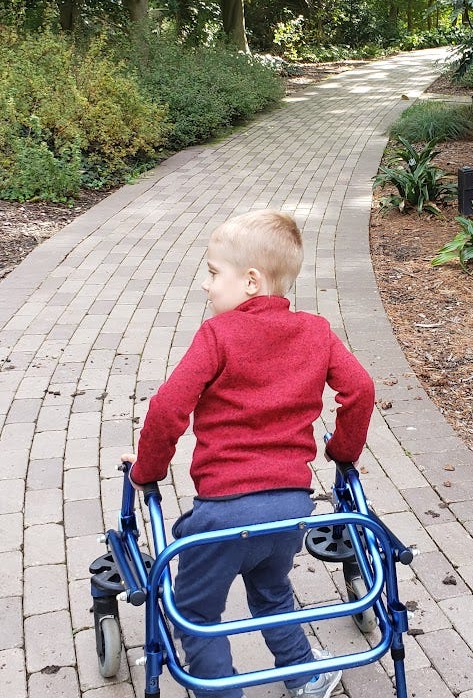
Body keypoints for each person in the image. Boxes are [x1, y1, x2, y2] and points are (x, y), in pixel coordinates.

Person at [121, 209, 375, 698]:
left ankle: (219, 691)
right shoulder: (317, 332)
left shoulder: (217, 336)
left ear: (252, 281)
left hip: (224, 511)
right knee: (271, 591)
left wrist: (147, 471)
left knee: (195, 611)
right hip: (289, 508)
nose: (205, 285)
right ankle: (304, 675)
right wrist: (341, 450)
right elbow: (360, 389)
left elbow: (169, 405)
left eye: (214, 273)